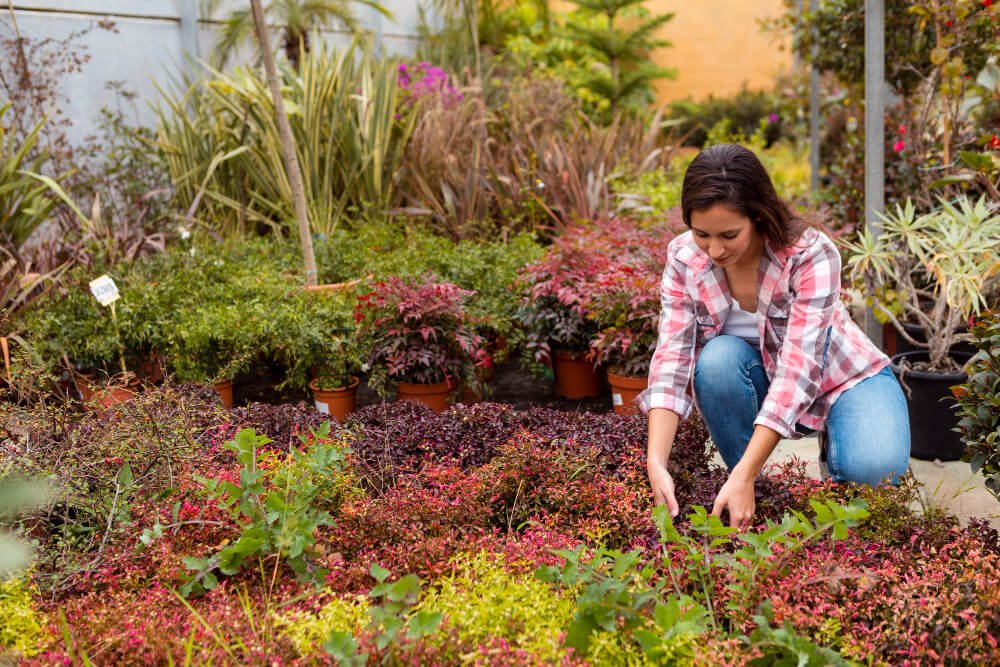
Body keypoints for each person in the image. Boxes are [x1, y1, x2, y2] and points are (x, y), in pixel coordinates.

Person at [639, 143, 910, 529]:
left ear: (759, 217)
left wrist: (744, 473)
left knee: (874, 472)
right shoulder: (685, 258)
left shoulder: (808, 254)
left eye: (729, 235)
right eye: (701, 233)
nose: (714, 250)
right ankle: (751, 489)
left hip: (843, 378)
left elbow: (799, 371)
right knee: (715, 361)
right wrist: (656, 461)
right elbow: (672, 358)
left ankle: (826, 452)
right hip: (752, 376)